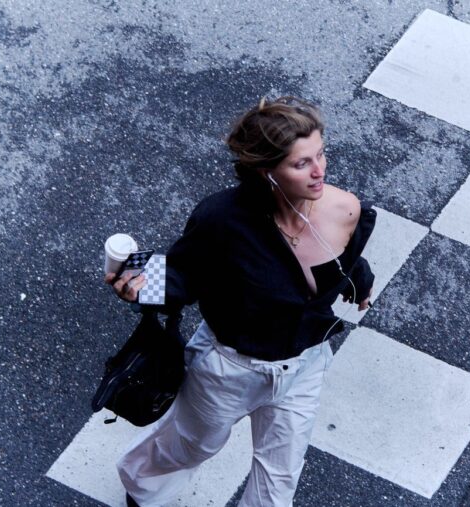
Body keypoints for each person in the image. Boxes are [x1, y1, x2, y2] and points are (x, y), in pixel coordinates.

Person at [105, 96, 376, 507]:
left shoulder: (344, 209)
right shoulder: (222, 220)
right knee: (192, 447)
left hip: (303, 366)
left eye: (320, 154)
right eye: (301, 163)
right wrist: (137, 288)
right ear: (267, 171)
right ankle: (142, 489)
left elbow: (345, 260)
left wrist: (360, 283)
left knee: (279, 480)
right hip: (228, 368)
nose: (319, 171)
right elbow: (183, 273)